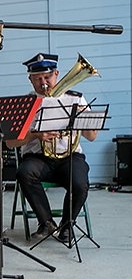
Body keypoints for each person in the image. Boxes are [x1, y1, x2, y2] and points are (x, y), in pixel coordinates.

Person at [7, 53, 96, 242]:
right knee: (24, 173)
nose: (43, 83)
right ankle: (46, 223)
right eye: (37, 78)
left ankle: (67, 225)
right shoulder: (24, 104)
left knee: (80, 184)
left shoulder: (76, 99)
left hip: (70, 156)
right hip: (38, 158)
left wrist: (82, 118)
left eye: (47, 77)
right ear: (30, 79)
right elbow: (10, 143)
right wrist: (35, 135)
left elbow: (92, 136)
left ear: (57, 73)